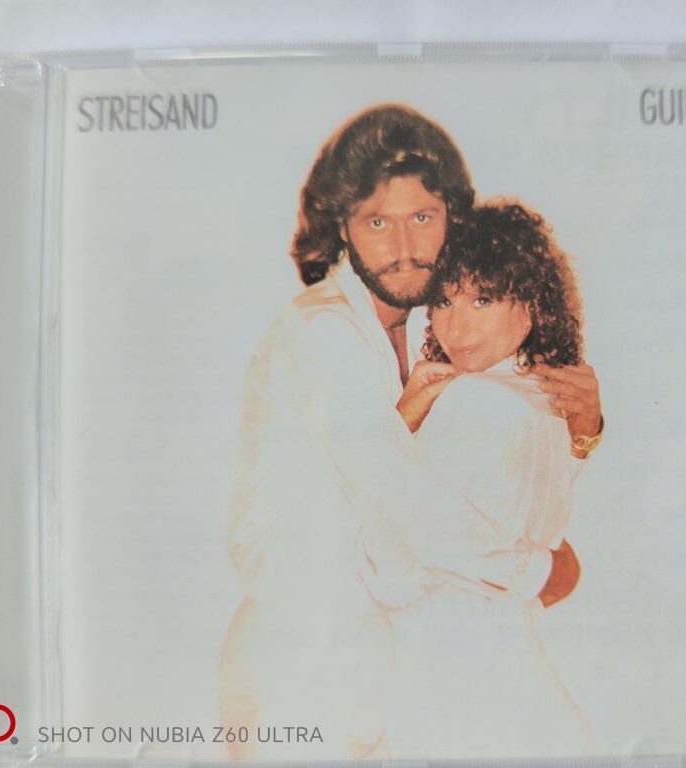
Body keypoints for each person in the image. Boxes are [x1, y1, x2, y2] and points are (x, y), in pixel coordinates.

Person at [217, 104, 603, 759]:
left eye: (422, 217)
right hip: (304, 674)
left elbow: (493, 476)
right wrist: (541, 571)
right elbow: (409, 508)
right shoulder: (322, 336)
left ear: (451, 215)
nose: (403, 247)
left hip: (390, 679)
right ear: (342, 228)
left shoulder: (438, 329)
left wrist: (583, 429)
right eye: (378, 222)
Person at [384, 201, 595, 759]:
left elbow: (398, 546)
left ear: (531, 305)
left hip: (450, 670)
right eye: (443, 301)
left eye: (482, 299)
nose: (456, 326)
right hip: (508, 657)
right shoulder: (545, 399)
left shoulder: (472, 399)